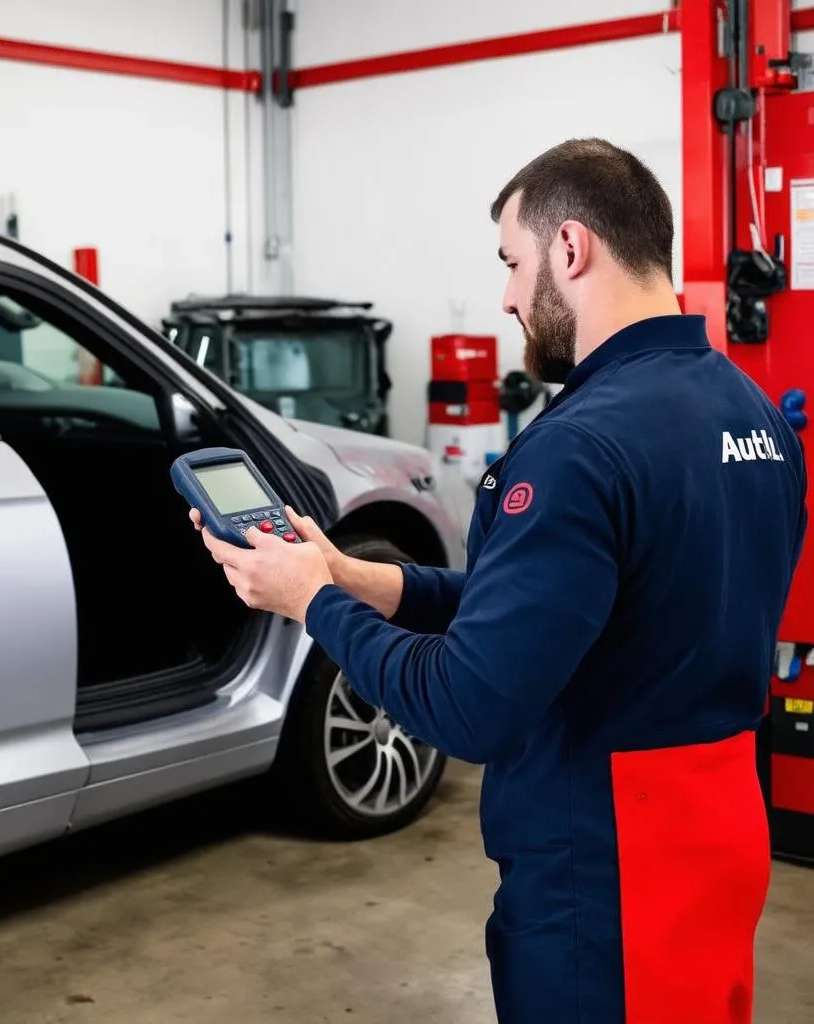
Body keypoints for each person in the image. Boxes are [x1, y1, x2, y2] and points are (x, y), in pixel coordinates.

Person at [189, 138, 809, 1024]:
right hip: (720, 839)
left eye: (514, 263)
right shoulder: (751, 412)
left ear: (570, 249)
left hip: (601, 870)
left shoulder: (579, 448)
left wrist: (308, 602)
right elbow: (575, 609)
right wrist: (350, 574)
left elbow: (467, 706)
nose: (510, 298)